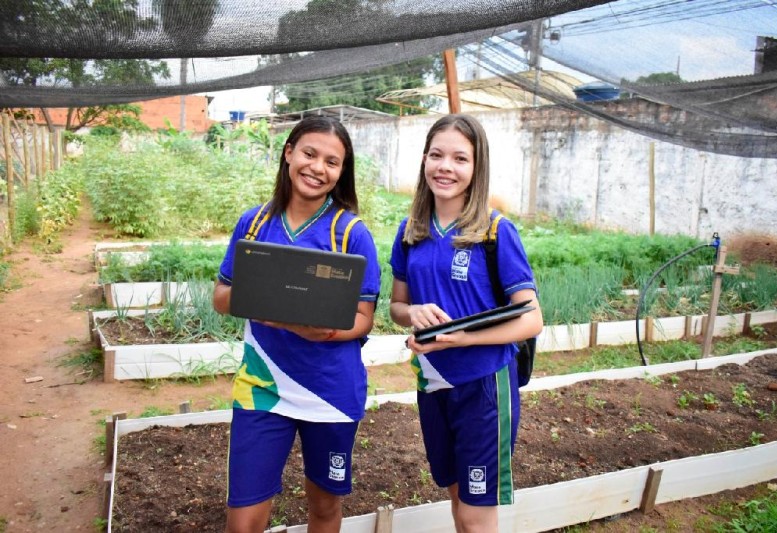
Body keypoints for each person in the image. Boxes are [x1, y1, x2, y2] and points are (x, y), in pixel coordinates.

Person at [213, 116, 381, 533]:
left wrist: (318, 330)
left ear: (342, 172)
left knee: (323, 510)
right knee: (243, 521)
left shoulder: (350, 234)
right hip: (262, 387)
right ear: (288, 153)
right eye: (309, 153)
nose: (317, 168)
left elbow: (363, 319)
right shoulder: (254, 224)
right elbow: (221, 296)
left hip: (330, 392)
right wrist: (268, 305)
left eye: (332, 162)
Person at [388, 113, 543, 533]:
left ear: (476, 168)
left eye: (460, 158)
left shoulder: (493, 231)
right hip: (433, 383)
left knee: (477, 517)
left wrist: (461, 339)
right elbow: (396, 307)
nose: (446, 167)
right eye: (436, 155)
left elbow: (531, 319)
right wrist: (413, 313)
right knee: (458, 500)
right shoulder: (411, 231)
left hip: (484, 386)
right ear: (424, 161)